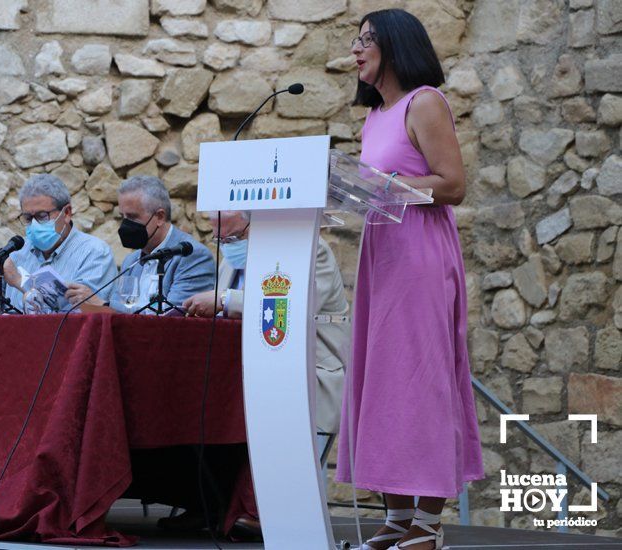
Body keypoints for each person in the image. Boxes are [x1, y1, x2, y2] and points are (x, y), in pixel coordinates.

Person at [335, 9, 484, 550]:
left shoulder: (424, 103)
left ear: (396, 46)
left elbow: (453, 185)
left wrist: (395, 185)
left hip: (420, 255)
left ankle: (428, 524)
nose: (356, 50)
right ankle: (398, 517)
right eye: (356, 40)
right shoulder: (374, 117)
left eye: (366, 40)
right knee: (384, 382)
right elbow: (370, 185)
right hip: (381, 257)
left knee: (421, 381)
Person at [180, 210, 351, 539]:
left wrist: (225, 299)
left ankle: (262, 509)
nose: (226, 246)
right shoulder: (231, 261)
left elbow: (293, 304)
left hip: (308, 374)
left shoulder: (311, 251)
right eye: (220, 239)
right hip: (246, 374)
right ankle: (208, 504)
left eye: (232, 238)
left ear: (255, 222)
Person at [0, 174, 117, 312]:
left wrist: (20, 281)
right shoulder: (18, 249)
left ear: (67, 213)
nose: (34, 225)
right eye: (28, 219)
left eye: (42, 216)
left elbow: (78, 315)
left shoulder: (95, 252)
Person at [71, 175, 215, 312]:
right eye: (123, 217)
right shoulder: (131, 261)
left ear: (159, 217)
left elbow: (173, 319)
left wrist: (103, 304)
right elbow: (120, 311)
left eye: (132, 217)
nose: (126, 224)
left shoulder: (191, 255)